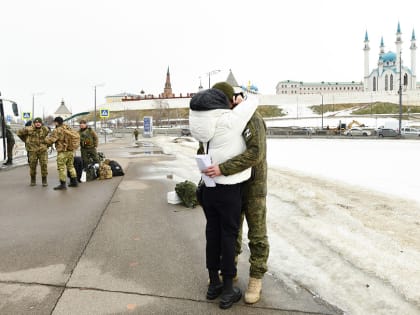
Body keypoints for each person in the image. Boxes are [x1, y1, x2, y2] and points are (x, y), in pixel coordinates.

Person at [189, 82, 258, 310]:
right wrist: (241, 100)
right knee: (229, 237)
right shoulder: (228, 122)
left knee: (212, 234)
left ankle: (213, 284)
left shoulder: (200, 126)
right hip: (229, 190)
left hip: (209, 189)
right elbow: (254, 101)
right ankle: (228, 289)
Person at [203, 89, 269, 304]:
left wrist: (222, 168)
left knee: (257, 233)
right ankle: (230, 271)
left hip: (253, 186)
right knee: (233, 231)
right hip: (231, 186)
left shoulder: (252, 118)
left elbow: (256, 153)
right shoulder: (224, 120)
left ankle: (256, 278)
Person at [45, 116, 78, 190]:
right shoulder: (68, 128)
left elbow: (51, 140)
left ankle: (62, 185)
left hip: (62, 152)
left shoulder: (57, 130)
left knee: (61, 168)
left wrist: (45, 139)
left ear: (56, 122)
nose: (54, 123)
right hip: (70, 151)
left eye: (54, 122)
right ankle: (74, 182)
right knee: (71, 166)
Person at [17, 117, 50, 186]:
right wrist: (26, 140)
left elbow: (48, 137)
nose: (38, 124)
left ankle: (44, 180)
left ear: (41, 123)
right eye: (36, 122)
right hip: (32, 151)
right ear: (34, 123)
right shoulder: (28, 129)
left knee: (44, 165)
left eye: (39, 122)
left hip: (42, 151)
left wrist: (48, 144)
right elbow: (19, 133)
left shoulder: (45, 129)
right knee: (32, 166)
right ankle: (33, 180)